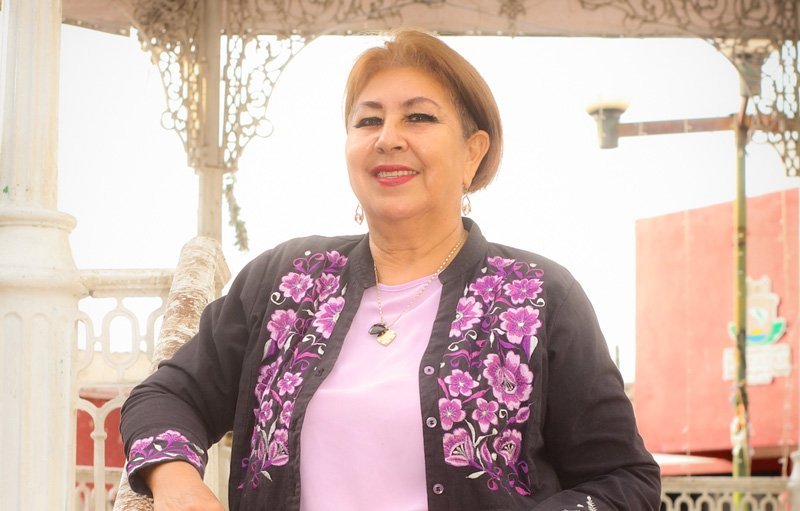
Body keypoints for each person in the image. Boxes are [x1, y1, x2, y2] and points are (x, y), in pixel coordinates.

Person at [120, 29, 661, 510]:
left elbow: (624, 479)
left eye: (419, 117)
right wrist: (178, 485)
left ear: (473, 153)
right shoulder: (286, 281)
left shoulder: (539, 296)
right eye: (369, 120)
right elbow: (167, 395)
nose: (388, 138)